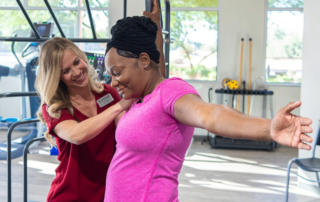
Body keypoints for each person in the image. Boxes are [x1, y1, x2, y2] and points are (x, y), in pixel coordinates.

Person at [103, 15, 314, 202]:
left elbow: (211, 115)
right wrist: (156, 27)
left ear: (143, 61)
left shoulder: (169, 91)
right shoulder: (143, 97)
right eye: (110, 75)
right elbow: (156, 67)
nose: (113, 82)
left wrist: (269, 129)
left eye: (117, 72)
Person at [34, 2, 164, 201]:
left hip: (109, 193)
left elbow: (151, 81)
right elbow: (77, 135)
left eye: (77, 62)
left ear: (82, 57)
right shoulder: (54, 108)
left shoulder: (107, 93)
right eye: (66, 71)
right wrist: (121, 105)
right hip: (70, 196)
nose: (77, 72)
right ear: (57, 77)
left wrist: (156, 33)